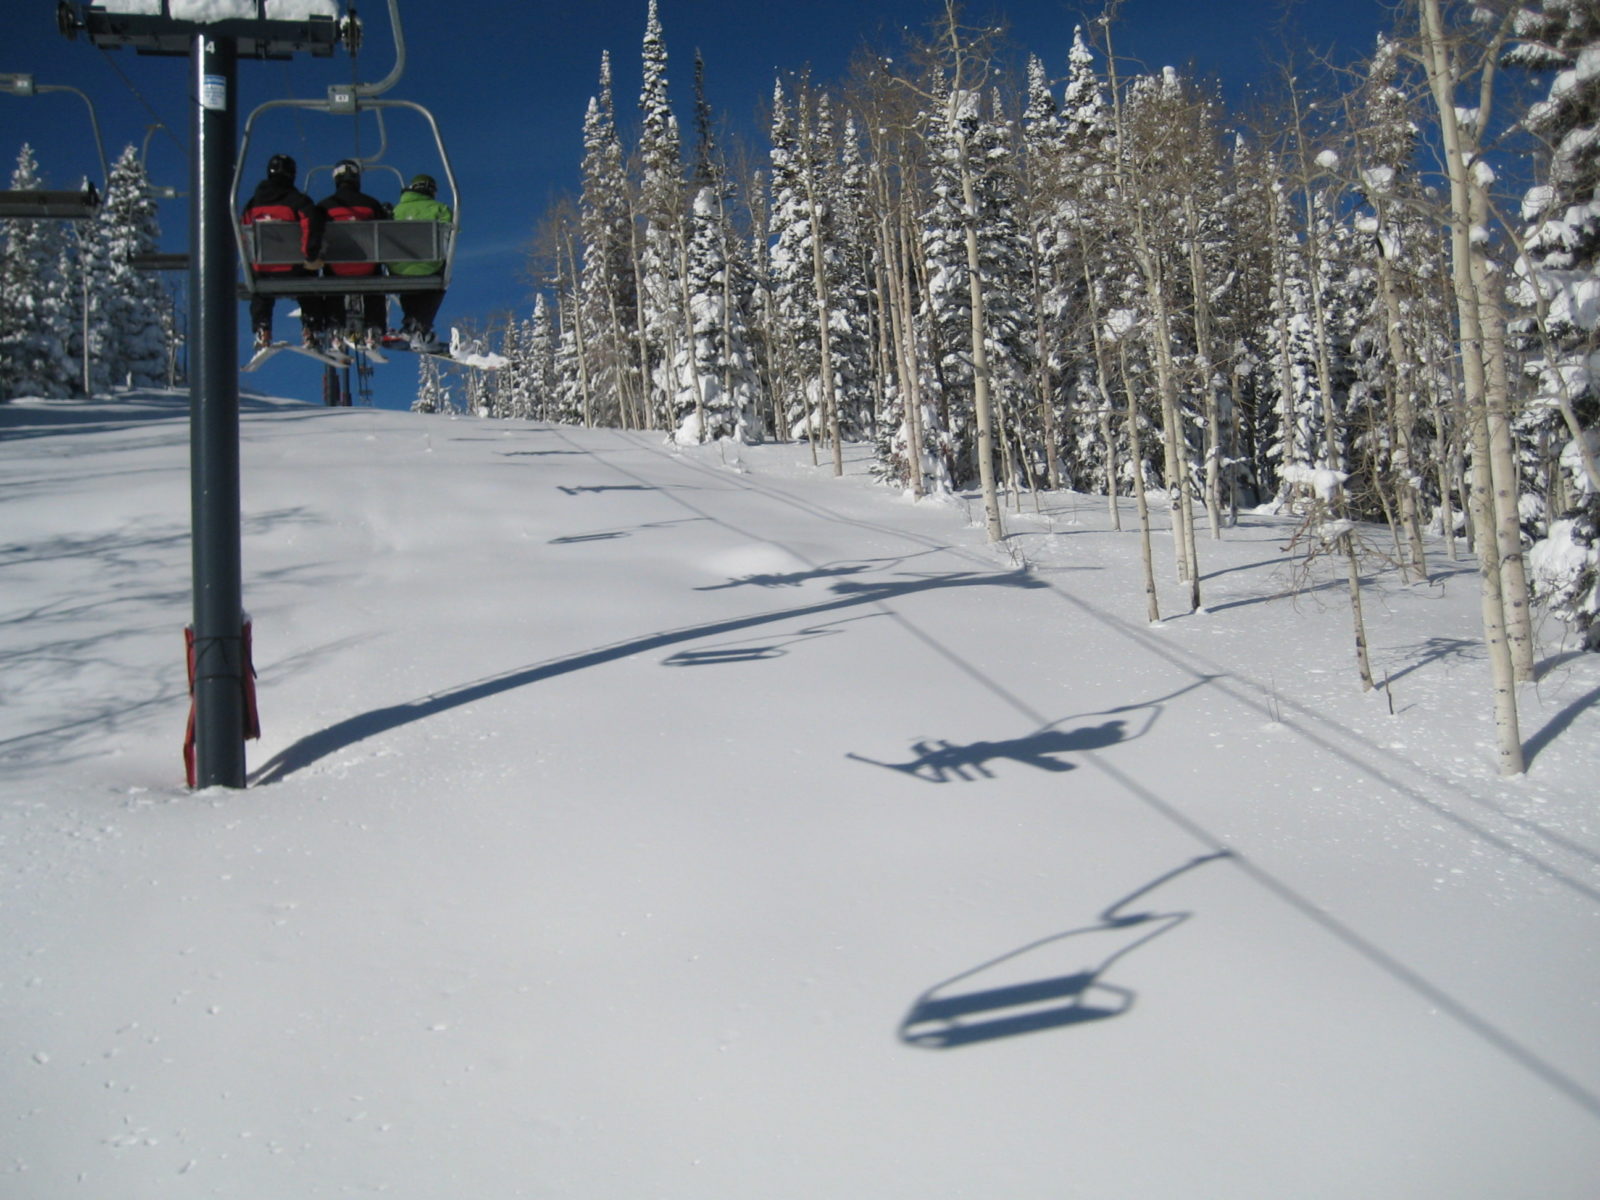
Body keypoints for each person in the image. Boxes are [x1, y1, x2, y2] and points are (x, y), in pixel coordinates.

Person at [240, 153, 326, 350]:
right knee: (310, 285)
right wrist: (310, 254)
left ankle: (263, 328)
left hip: (264, 268)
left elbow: (243, 231)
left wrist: (251, 258)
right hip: (295, 267)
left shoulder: (253, 204)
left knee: (260, 290)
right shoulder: (297, 200)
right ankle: (311, 328)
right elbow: (311, 222)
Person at [316, 158, 392, 349]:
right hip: (366, 266)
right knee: (375, 278)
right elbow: (386, 233)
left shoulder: (325, 207)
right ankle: (374, 326)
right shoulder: (370, 204)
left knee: (331, 278)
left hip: (337, 268)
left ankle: (334, 324)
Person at [391, 173, 452, 349]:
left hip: (399, 267)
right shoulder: (440, 209)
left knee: (408, 279)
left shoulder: (396, 211)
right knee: (438, 281)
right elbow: (451, 231)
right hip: (429, 264)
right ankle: (422, 326)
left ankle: (411, 322)